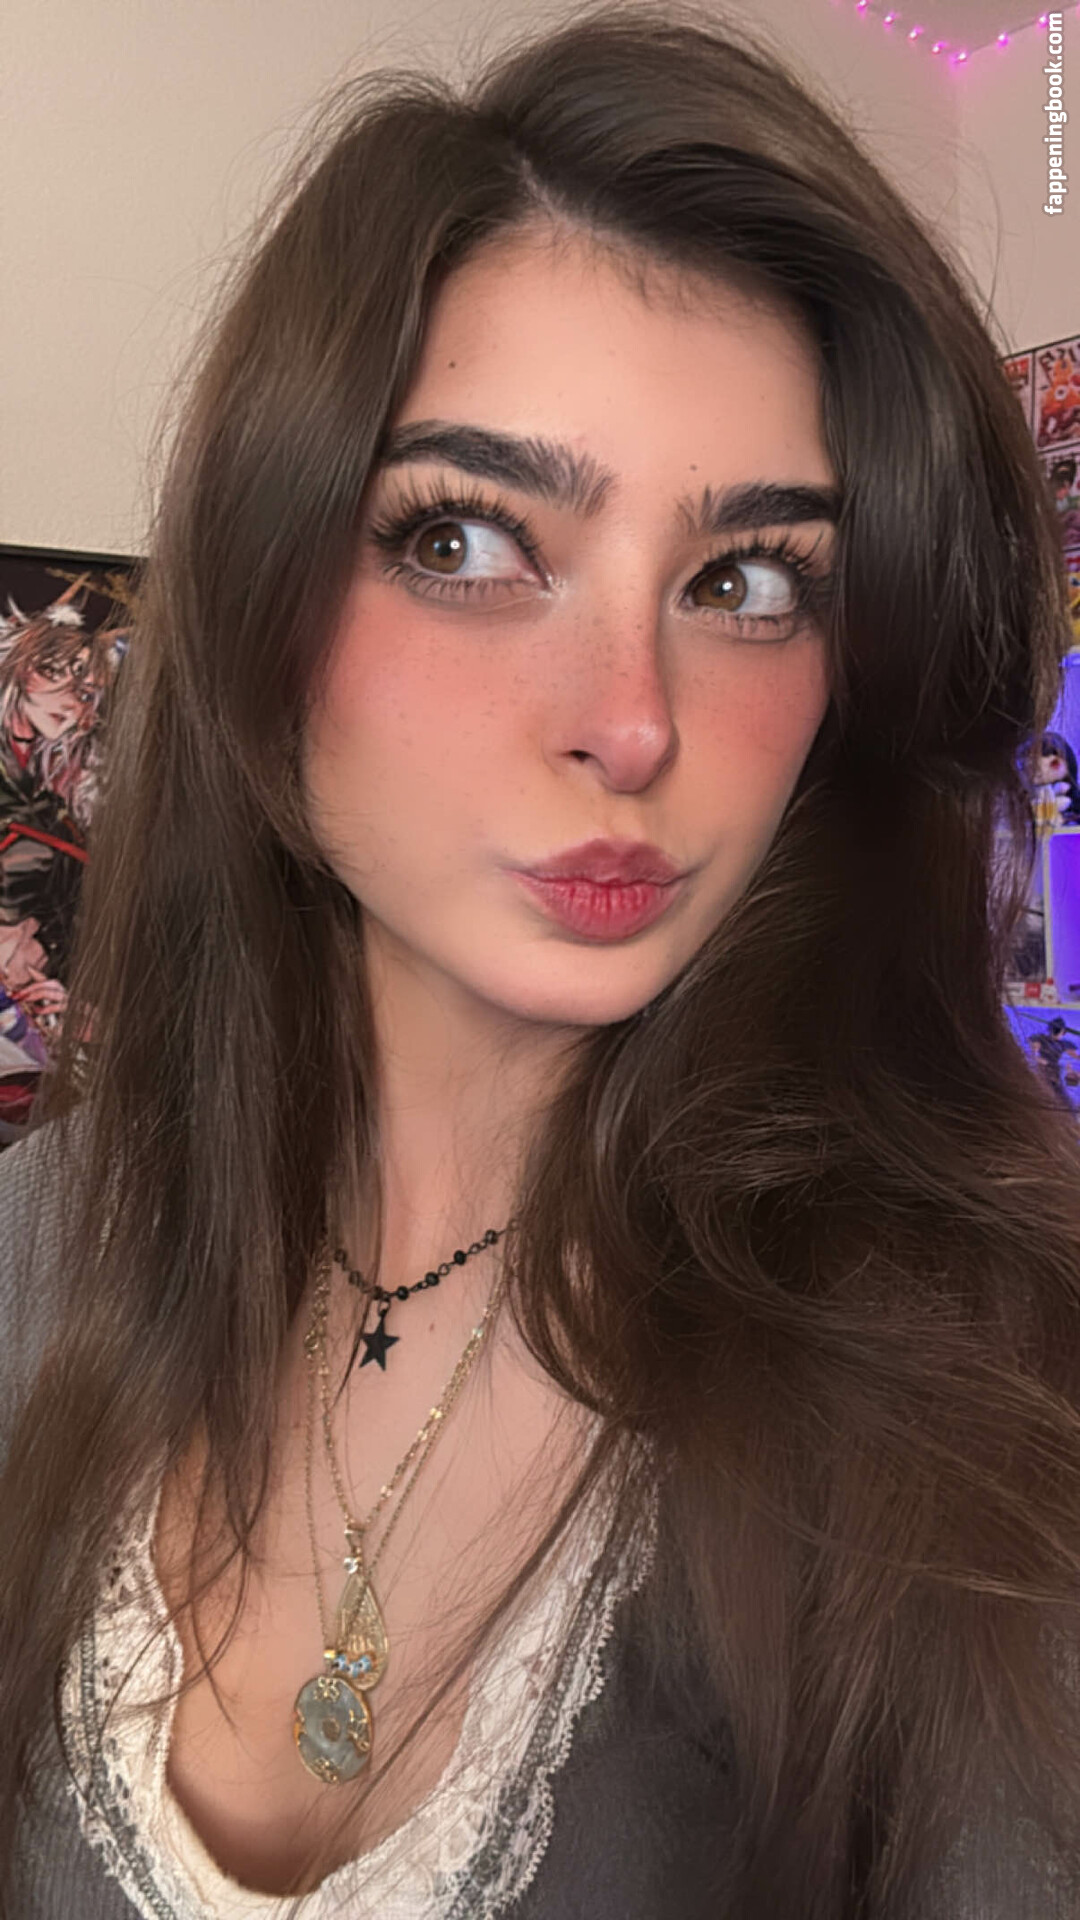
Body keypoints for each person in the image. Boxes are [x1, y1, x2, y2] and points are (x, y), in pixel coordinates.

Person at [2, 5, 1080, 1915]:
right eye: (470, 542)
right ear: (260, 583)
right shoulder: (38, 1245)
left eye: (747, 580)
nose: (632, 723)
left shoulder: (987, 1377)